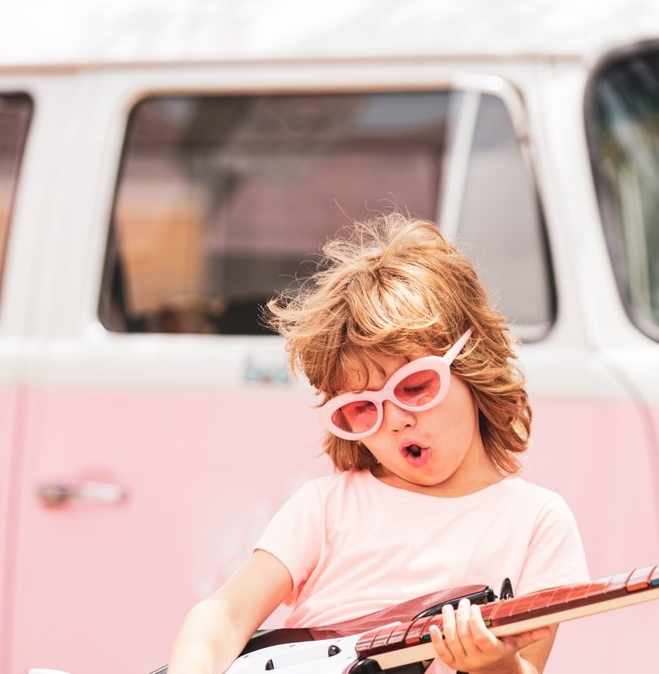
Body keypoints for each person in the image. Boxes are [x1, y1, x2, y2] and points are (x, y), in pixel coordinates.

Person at [167, 213, 589, 674]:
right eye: (363, 408)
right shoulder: (326, 507)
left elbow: (528, 665)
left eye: (414, 386)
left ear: (471, 361)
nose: (395, 421)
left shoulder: (537, 522)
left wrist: (495, 666)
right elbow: (223, 614)